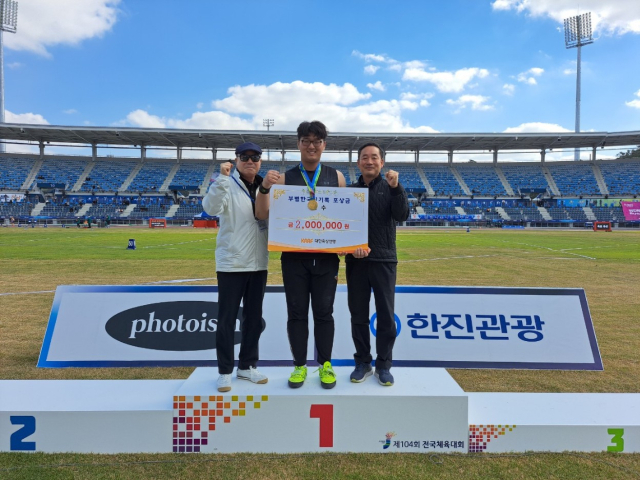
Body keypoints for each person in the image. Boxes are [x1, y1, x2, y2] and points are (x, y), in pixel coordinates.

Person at [256, 120, 346, 389]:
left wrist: (349, 243)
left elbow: (345, 217)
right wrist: (264, 188)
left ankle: (325, 365)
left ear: (324, 145)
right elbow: (262, 214)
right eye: (306, 141)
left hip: (327, 258)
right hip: (294, 258)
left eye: (317, 141)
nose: (311, 146)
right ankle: (299, 366)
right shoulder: (284, 178)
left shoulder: (336, 177)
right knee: (296, 313)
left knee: (324, 313)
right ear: (298, 144)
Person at [202, 141, 269, 392]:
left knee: (253, 319)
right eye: (245, 157)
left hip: (258, 262)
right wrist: (221, 179)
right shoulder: (226, 183)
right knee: (227, 320)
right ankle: (225, 370)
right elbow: (210, 208)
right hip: (232, 263)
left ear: (261, 160)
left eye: (255, 157)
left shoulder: (267, 187)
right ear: (236, 160)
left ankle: (247, 366)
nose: (250, 161)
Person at [346, 142, 409, 386]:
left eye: (374, 157)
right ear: (358, 162)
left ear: (381, 162)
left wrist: (396, 188)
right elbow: (342, 227)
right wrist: (348, 249)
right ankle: (362, 362)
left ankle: (384, 365)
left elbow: (402, 215)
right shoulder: (350, 192)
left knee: (385, 316)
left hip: (383, 260)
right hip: (356, 262)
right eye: (364, 157)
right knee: (358, 315)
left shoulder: (391, 187)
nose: (369, 161)